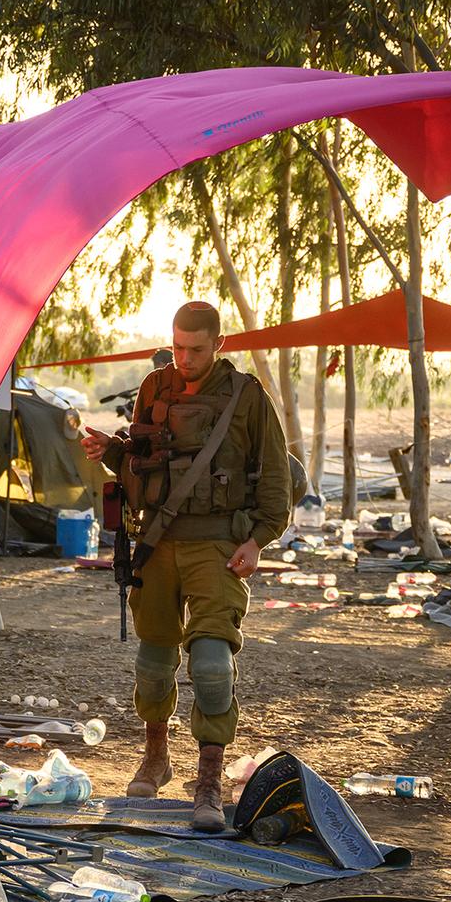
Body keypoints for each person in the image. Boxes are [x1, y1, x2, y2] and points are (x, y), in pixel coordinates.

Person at [82, 301, 289, 829]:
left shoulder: (247, 397)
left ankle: (209, 784)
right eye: (177, 347)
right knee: (153, 665)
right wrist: (110, 449)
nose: (184, 358)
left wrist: (260, 540)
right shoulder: (155, 387)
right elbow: (140, 459)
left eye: (196, 349)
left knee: (213, 666)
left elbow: (274, 484)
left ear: (219, 344)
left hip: (218, 545)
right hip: (157, 541)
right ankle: (156, 756)